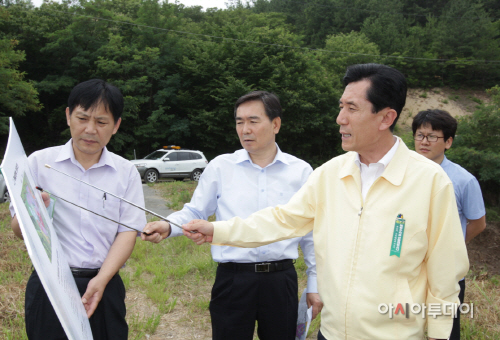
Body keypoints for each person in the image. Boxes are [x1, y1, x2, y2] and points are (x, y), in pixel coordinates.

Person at [183, 64, 469, 340]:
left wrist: (439, 334)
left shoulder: (429, 181)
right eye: (341, 106)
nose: (340, 118)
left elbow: (445, 272)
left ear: (386, 118)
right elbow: (282, 220)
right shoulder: (330, 175)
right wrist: (218, 231)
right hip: (332, 333)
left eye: (352, 109)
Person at [142, 91, 322, 340]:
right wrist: (168, 225)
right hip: (233, 280)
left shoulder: (301, 171)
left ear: (276, 124)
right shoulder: (220, 167)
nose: (245, 129)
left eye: (253, 121)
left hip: (281, 281)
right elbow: (196, 210)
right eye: (239, 122)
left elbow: (312, 234)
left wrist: (314, 284)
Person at [10, 79, 146, 340]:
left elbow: (127, 232)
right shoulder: (38, 163)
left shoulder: (125, 172)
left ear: (116, 125)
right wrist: (34, 212)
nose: (90, 130)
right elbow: (19, 231)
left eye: (102, 122)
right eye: (82, 118)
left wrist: (102, 280)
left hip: (104, 283)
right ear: (68, 116)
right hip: (50, 283)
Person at [412, 109, 486, 340]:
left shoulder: (464, 180)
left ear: (448, 142)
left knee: (444, 331)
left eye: (432, 136)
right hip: (407, 268)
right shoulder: (402, 174)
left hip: (445, 272)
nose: (424, 142)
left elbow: (478, 223)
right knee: (399, 323)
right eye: (420, 135)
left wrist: (448, 246)